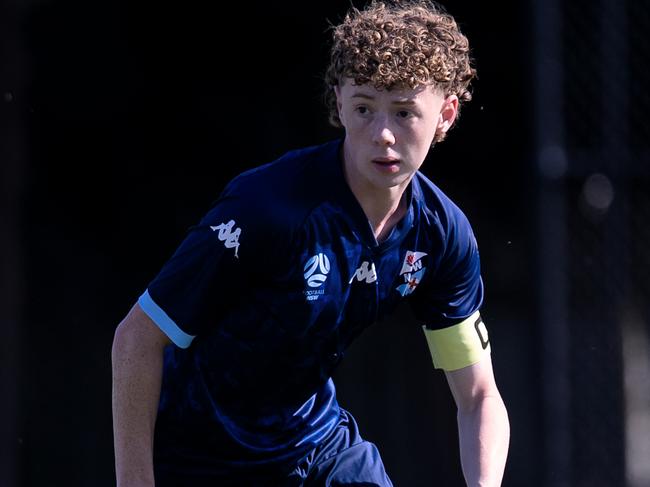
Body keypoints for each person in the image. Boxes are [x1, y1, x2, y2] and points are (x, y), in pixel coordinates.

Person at [111, 0, 510, 485]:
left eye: (404, 112)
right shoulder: (267, 206)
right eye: (364, 108)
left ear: (445, 114)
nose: (382, 134)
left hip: (317, 446)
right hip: (202, 457)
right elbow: (137, 338)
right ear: (339, 102)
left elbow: (479, 396)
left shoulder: (441, 234)